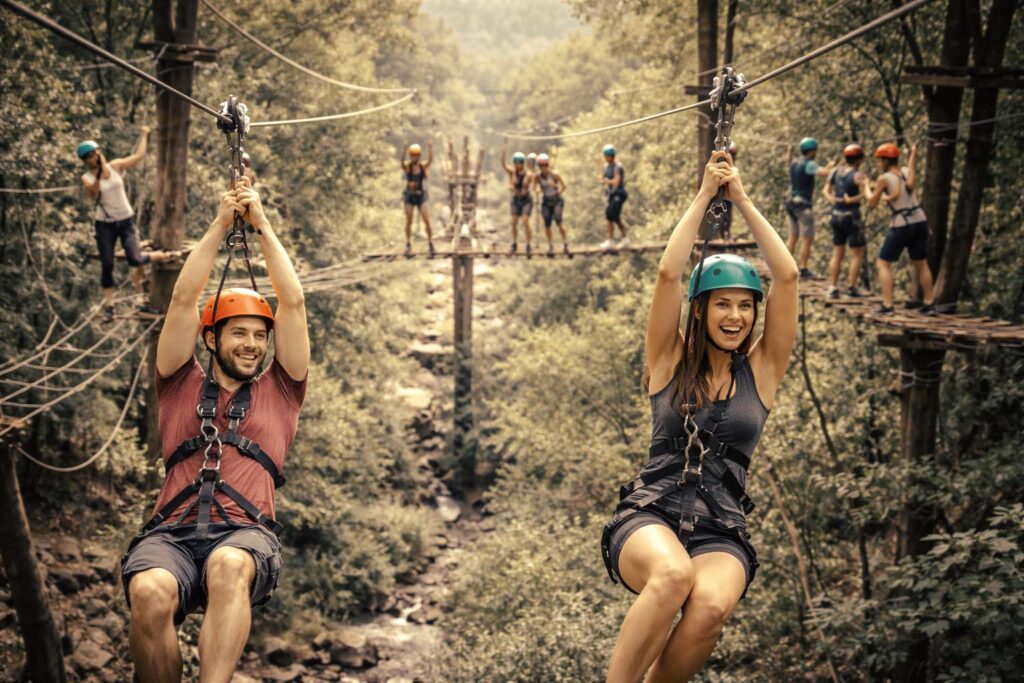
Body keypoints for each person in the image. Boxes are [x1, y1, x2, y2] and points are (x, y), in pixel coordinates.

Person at [602, 151, 799, 682]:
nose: (735, 316)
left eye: (745, 306)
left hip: (721, 529)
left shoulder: (762, 372)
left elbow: (789, 274)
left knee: (710, 607)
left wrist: (740, 197)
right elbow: (668, 274)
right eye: (722, 304)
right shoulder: (668, 360)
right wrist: (704, 194)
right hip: (652, 515)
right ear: (699, 309)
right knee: (671, 577)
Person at [121, 176, 309, 683]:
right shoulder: (178, 382)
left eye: (258, 336)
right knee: (148, 591)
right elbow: (182, 302)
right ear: (212, 338)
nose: (252, 344)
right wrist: (220, 224)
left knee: (228, 565)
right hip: (173, 534)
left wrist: (262, 224)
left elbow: (292, 305)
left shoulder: (282, 389)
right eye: (239, 334)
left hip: (245, 535)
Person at [79, 129, 167, 321]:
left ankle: (158, 256)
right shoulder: (87, 178)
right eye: (88, 157)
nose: (92, 159)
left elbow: (139, 156)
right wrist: (100, 171)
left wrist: (143, 134)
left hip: (126, 221)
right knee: (107, 264)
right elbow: (93, 192)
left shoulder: (116, 166)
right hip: (104, 224)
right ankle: (110, 307)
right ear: (85, 161)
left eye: (94, 154)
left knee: (135, 259)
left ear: (99, 153)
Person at [866, 143, 935, 315]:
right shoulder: (905, 171)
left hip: (901, 224)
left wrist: (866, 187)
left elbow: (871, 204)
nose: (878, 164)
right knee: (921, 263)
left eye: (879, 160)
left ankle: (888, 305)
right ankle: (929, 302)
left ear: (885, 160)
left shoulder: (885, 178)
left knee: (883, 263)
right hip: (920, 220)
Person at [822, 143, 868, 298]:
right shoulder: (858, 175)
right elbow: (864, 195)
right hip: (852, 216)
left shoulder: (835, 171)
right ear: (859, 159)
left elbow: (825, 191)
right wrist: (851, 200)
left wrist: (834, 199)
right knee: (857, 253)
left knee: (837, 253)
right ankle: (851, 287)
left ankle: (833, 287)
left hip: (836, 214)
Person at [785, 137, 835, 278]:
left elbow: (788, 160)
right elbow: (826, 173)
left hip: (791, 203)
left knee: (793, 236)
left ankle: (784, 265)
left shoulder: (795, 162)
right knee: (807, 238)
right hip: (803, 205)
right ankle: (803, 268)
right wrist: (831, 166)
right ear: (812, 151)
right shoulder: (810, 164)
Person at [402, 142, 435, 255]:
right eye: (412, 155)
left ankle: (430, 242)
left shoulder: (422, 166)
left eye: (415, 155)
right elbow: (401, 163)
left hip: (421, 195)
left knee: (426, 219)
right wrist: (404, 150)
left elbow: (430, 161)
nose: (413, 157)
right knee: (409, 220)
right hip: (410, 196)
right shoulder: (408, 166)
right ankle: (408, 243)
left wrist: (430, 149)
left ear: (419, 156)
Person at [501, 147, 534, 256]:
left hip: (526, 200)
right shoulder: (512, 172)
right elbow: (504, 165)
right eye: (516, 162)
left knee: (525, 221)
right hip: (516, 200)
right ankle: (514, 243)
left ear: (523, 163)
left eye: (520, 162)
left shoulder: (527, 174)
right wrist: (503, 153)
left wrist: (529, 187)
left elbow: (532, 183)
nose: (518, 164)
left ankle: (528, 244)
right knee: (514, 222)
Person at [535, 153, 570, 257]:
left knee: (559, 222)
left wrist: (556, 188)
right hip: (546, 201)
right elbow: (536, 187)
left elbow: (564, 186)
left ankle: (566, 243)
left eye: (545, 165)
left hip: (556, 201)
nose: (543, 167)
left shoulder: (555, 174)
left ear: (548, 164)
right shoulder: (538, 176)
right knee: (547, 224)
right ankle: (550, 245)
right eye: (541, 165)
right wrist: (537, 190)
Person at [599, 143, 629, 249]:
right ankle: (617, 240)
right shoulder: (606, 166)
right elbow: (602, 177)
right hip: (612, 194)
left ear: (611, 156)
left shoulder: (618, 167)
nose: (606, 158)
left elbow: (616, 181)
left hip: (619, 194)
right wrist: (602, 179)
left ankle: (618, 239)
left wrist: (607, 181)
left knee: (611, 215)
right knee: (613, 217)